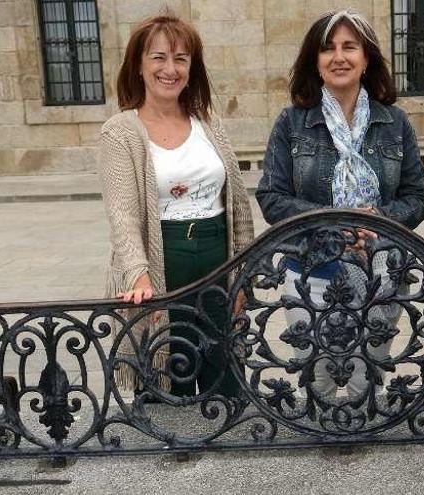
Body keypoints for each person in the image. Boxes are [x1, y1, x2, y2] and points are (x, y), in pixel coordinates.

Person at [256, 9, 424, 403]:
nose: (339, 57)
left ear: (366, 58)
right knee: (316, 381)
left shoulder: (395, 123)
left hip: (382, 272)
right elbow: (271, 197)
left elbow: (417, 197)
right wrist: (332, 225)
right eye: (328, 48)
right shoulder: (292, 123)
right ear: (314, 62)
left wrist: (380, 220)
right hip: (310, 270)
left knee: (364, 384)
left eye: (349, 47)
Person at [99, 13, 254, 398]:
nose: (170, 69)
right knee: (172, 378)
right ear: (138, 64)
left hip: (218, 257)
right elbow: (123, 215)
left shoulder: (209, 122)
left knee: (226, 379)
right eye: (159, 57)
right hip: (163, 260)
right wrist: (138, 275)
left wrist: (243, 271)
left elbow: (236, 202)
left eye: (181, 58)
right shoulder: (120, 131)